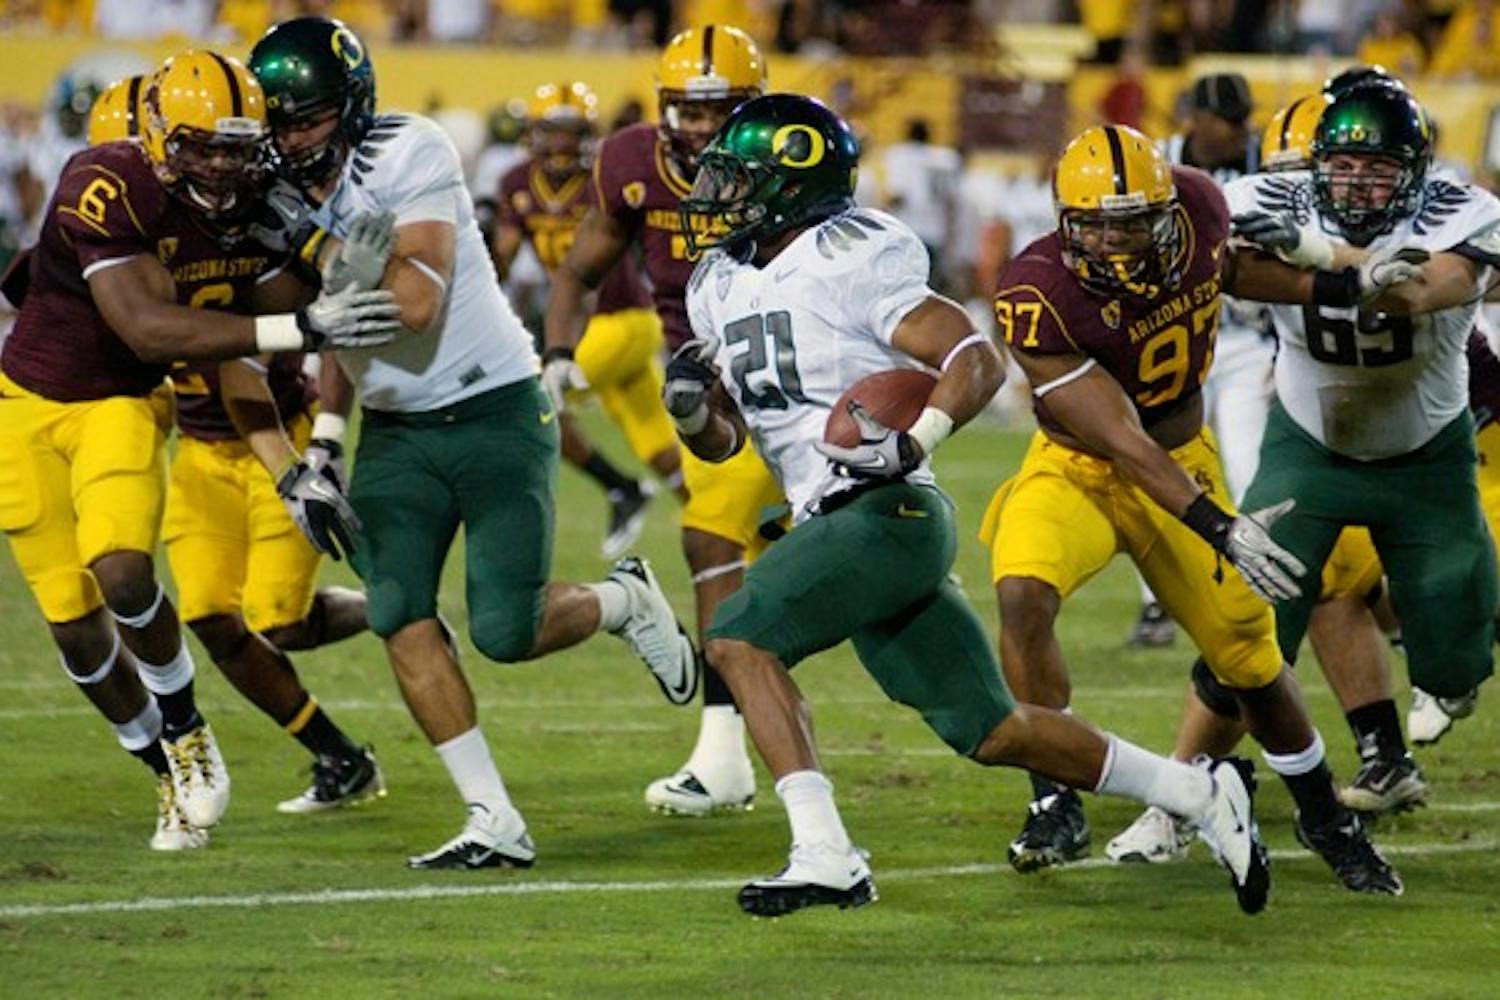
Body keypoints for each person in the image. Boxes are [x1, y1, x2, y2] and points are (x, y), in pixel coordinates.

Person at [671, 94, 1268, 918]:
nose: (717, 197)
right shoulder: (717, 284)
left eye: (739, 181)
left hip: (885, 509)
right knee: (992, 730)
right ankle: (1200, 795)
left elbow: (972, 354)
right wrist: (693, 412)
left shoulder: (849, 253)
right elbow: (731, 443)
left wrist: (916, 440)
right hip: (833, 518)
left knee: (738, 637)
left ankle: (825, 852)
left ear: (791, 186)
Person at [249, 16, 699, 869]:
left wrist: (319, 244)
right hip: (396, 430)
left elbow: (413, 305)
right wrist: (326, 442)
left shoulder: (406, 150)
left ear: (348, 109)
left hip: (494, 407)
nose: (288, 139)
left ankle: (624, 602)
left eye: (304, 119)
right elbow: (343, 332)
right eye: (277, 121)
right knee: (395, 610)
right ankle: (493, 816)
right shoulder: (267, 187)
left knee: (505, 628)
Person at [981, 123, 1401, 894]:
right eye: (1095, 224)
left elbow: (1232, 273)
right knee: (1021, 590)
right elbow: (1119, 439)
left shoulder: (1204, 208)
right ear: (1063, 220)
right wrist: (1220, 525)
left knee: (1247, 654)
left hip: (1183, 456)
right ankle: (1052, 797)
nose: (1111, 241)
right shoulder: (1036, 290)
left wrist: (1335, 284)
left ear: (1167, 208)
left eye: (1130, 221)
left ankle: (1323, 815)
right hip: (1082, 468)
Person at [0, 48, 403, 850]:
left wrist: (340, 267)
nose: (220, 164)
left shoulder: (258, 196)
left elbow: (299, 293)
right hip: (25, 404)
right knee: (73, 624)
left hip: (120, 398)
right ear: (155, 138)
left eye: (234, 146)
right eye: (200, 146)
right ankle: (168, 772)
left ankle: (184, 725)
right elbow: (151, 324)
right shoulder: (107, 183)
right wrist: (307, 323)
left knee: (122, 567)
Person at [1106, 92, 1432, 862]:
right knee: (1289, 578)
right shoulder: (1229, 200)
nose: (1317, 193)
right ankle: (1373, 750)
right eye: (1299, 171)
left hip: (1329, 410)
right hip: (1260, 387)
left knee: (1292, 579)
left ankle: (1189, 790)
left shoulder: (1407, 226)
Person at [85, 73, 385, 815]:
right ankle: (338, 756)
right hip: (200, 448)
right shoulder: (109, 239)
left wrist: (314, 451)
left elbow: (304, 332)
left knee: (282, 619)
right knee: (212, 618)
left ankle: (398, 604)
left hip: (274, 432)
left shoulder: (251, 218)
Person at [1228, 80, 1499, 795]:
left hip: (1427, 456)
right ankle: (1201, 780)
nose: (1358, 183)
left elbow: (1420, 288)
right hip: (1309, 443)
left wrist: (1317, 253)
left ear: (1414, 171)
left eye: (1378, 168)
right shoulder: (1267, 196)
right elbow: (1228, 270)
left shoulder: (1464, 210)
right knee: (1246, 614)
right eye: (1343, 166)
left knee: (1450, 657)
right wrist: (1332, 267)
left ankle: (1448, 671)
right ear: (1316, 164)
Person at [544, 24, 775, 816]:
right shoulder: (631, 161)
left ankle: (727, 759)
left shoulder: (791, 155)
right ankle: (726, 757)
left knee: (721, 539)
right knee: (725, 539)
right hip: (701, 383)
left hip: (787, 374)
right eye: (690, 109)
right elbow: (581, 267)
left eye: (722, 110)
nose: (705, 127)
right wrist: (558, 351)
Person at [494, 81, 683, 559]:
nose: (560, 145)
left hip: (622, 319)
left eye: (570, 133)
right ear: (532, 134)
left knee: (531, 407)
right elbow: (502, 260)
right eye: (551, 133)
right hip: (601, 330)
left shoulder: (605, 177)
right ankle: (727, 527)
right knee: (661, 449)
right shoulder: (517, 184)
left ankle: (621, 489)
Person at [1125, 71, 1263, 649]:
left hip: (1247, 342)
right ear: (1198, 120)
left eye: (1240, 120)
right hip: (1174, 340)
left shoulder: (1265, 161)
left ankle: (1262, 589)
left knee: (1249, 466)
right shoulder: (1159, 165)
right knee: (1152, 469)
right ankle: (1157, 603)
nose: (1237, 132)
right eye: (1226, 120)